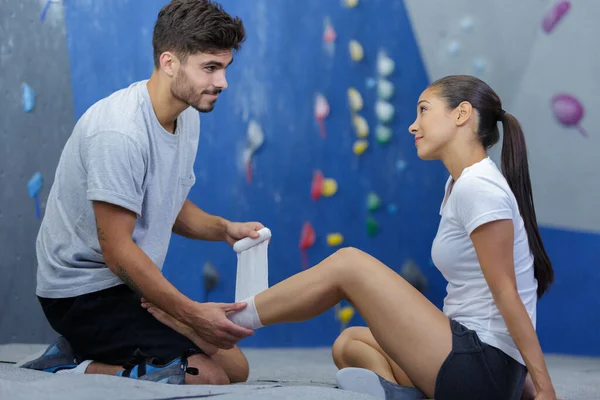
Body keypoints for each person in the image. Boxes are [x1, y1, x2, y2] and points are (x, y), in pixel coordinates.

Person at [141, 75, 562, 399]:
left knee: (349, 264)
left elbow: (507, 291)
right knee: (349, 344)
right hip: (474, 362)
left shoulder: (478, 187)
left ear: (461, 114)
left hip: (480, 367)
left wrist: (541, 387)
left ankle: (230, 321)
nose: (413, 126)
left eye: (423, 110)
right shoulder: (460, 185)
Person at [22, 0, 261, 385]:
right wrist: (190, 313)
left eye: (225, 68)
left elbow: (167, 203)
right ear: (169, 63)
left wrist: (224, 228)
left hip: (122, 283)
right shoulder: (120, 132)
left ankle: (80, 351)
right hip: (81, 294)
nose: (222, 83)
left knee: (237, 369)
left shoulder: (185, 115)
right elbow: (118, 251)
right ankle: (74, 366)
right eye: (210, 68)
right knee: (207, 376)